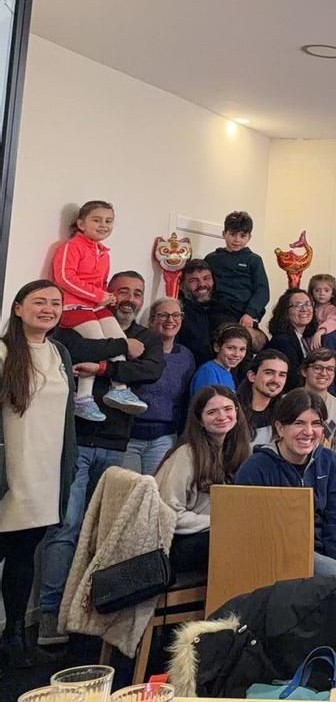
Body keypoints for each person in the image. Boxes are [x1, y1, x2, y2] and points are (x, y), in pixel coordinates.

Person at [39, 271, 165, 646]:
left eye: (137, 293)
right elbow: (71, 351)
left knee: (107, 533)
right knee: (65, 527)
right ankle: (50, 614)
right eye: (122, 290)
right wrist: (118, 349)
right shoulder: (74, 322)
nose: (129, 298)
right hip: (75, 443)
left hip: (116, 443)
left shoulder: (146, 337)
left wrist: (104, 367)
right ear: (107, 294)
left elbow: (150, 370)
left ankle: (91, 611)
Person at [236, 389, 336, 578]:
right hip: (285, 553)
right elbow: (249, 533)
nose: (308, 432)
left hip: (328, 546)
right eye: (298, 423)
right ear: (280, 428)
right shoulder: (255, 468)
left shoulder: (331, 461)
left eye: (316, 424)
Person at [0, 281, 76, 666]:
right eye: (39, 302)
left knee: (21, 557)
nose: (48, 309)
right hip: (7, 472)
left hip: (44, 475)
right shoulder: (3, 352)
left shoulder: (59, 352)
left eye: (55, 303)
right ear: (18, 308)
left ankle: (13, 633)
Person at [51, 201, 146, 421]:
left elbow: (100, 283)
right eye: (97, 220)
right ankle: (82, 397)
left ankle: (120, 388)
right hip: (73, 306)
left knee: (119, 339)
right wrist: (98, 295)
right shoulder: (70, 247)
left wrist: (106, 297)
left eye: (109, 221)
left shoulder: (103, 253)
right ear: (81, 223)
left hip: (95, 306)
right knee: (98, 343)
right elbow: (64, 278)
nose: (103, 225)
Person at [154, 386, 251, 574]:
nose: (222, 416)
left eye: (228, 409)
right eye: (212, 412)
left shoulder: (238, 453)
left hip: (214, 533)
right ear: (200, 420)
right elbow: (168, 515)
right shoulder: (186, 454)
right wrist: (220, 522)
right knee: (237, 544)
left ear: (237, 413)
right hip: (176, 543)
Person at [125, 297, 196, 474]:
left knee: (155, 493)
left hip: (164, 438)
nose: (170, 320)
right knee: (127, 492)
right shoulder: (137, 350)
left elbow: (185, 399)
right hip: (130, 436)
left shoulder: (186, 356)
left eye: (176, 315)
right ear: (151, 320)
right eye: (163, 315)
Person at [204, 211, 270, 333]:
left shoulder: (254, 260)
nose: (237, 240)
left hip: (245, 313)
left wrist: (250, 313)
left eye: (242, 236)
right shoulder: (212, 258)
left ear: (249, 237)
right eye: (232, 234)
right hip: (218, 310)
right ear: (224, 234)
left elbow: (263, 291)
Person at [264, 288, 316, 391]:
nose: (304, 309)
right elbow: (292, 379)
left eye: (308, 304)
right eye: (298, 305)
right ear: (286, 312)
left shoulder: (304, 338)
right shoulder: (282, 341)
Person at [236, 349, 289, 445]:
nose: (276, 380)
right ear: (252, 376)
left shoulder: (285, 412)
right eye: (269, 373)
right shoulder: (233, 409)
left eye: (282, 375)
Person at [301, 349, 336, 444]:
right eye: (317, 368)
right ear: (304, 371)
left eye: (330, 369)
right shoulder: (286, 402)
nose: (324, 373)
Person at [190, 324, 251, 398]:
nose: (237, 354)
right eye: (230, 348)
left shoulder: (228, 373)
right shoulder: (208, 371)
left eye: (242, 349)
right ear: (217, 347)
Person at [178, 259, 219, 364]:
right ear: (182, 286)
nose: (202, 284)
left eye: (207, 278)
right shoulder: (178, 312)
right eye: (193, 280)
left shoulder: (226, 306)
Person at [305, 274, 336, 350]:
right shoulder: (309, 307)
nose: (322, 293)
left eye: (326, 290)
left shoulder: (331, 309)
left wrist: (320, 332)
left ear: (332, 294)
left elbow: (332, 321)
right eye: (317, 290)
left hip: (322, 340)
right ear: (312, 293)